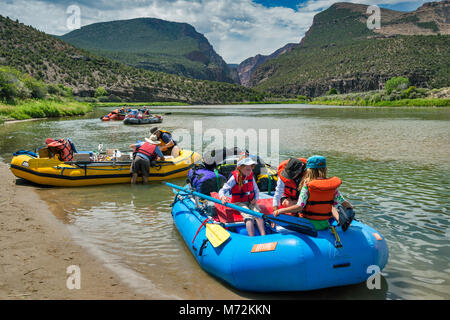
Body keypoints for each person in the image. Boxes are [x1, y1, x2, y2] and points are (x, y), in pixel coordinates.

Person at [273, 155, 353, 231]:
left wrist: (279, 211)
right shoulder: (332, 188)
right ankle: (340, 221)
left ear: (308, 170)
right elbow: (345, 203)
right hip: (324, 224)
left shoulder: (307, 187)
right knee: (328, 203)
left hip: (307, 224)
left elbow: (299, 207)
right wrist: (349, 212)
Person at [218, 156, 266, 237]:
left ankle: (263, 235)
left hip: (251, 200)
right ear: (240, 168)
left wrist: (255, 199)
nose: (250, 171)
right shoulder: (234, 177)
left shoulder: (250, 175)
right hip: (239, 202)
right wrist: (222, 197)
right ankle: (252, 237)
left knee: (258, 214)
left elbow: (256, 189)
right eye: (247, 169)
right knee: (248, 216)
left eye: (251, 168)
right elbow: (222, 190)